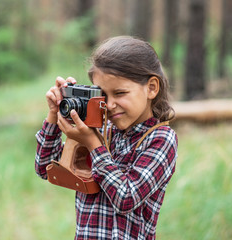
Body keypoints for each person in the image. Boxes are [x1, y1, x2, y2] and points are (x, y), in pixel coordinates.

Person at [35, 36, 178, 240]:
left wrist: (93, 144)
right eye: (103, 95)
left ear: (152, 88)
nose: (109, 105)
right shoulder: (102, 129)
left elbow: (126, 198)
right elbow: (45, 168)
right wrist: (53, 115)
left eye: (119, 93)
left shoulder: (161, 139)